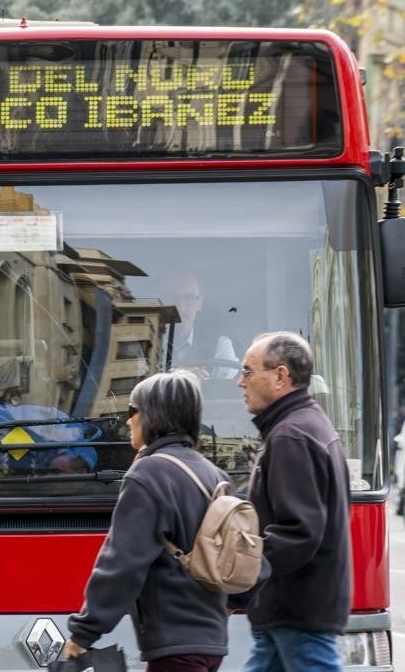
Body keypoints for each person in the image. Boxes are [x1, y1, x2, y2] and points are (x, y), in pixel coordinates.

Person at [63, 370, 231, 671]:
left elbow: (121, 564)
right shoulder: (214, 474)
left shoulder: (149, 474)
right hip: (212, 641)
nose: (128, 420)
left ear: (153, 415)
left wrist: (83, 634)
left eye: (132, 411)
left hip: (175, 645)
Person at [237, 331, 350, 672]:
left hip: (296, 610)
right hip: (289, 609)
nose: (241, 382)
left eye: (248, 371)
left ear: (280, 377)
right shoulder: (301, 426)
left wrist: (241, 578)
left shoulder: (290, 436)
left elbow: (298, 531)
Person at [160, 269, 237, 379]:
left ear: (200, 303)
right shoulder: (143, 343)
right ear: (158, 302)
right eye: (172, 297)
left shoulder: (219, 345)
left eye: (189, 298)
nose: (180, 307)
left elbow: (228, 391)